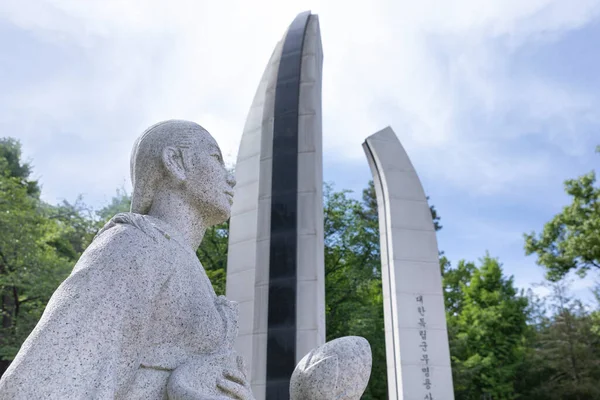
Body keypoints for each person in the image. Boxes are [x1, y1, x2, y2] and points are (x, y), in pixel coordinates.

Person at [0, 120, 254, 399]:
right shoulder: (136, 244)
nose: (230, 178)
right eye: (215, 158)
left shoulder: (178, 259)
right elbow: (44, 376)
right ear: (175, 162)